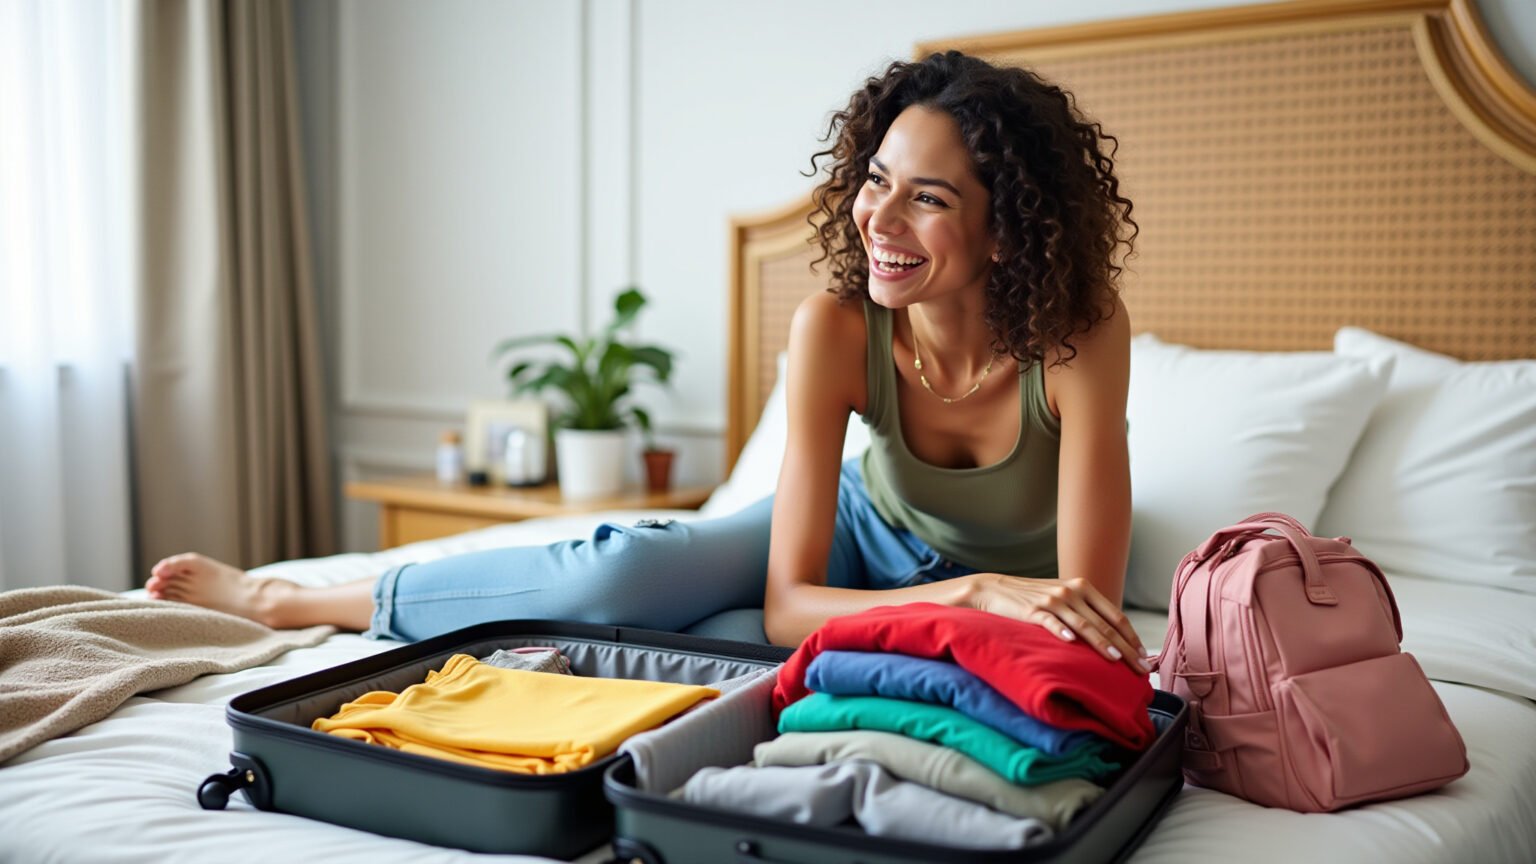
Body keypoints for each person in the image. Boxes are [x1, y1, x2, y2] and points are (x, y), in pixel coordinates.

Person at [147, 51, 1150, 673]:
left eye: (927, 199)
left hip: (997, 586)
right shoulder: (837, 329)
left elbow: (1087, 620)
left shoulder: (1081, 337)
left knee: (709, 644)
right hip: (861, 530)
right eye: (876, 181)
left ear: (1008, 231)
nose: (878, 219)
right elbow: (792, 602)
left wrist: (983, 594)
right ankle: (291, 600)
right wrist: (964, 594)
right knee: (625, 569)